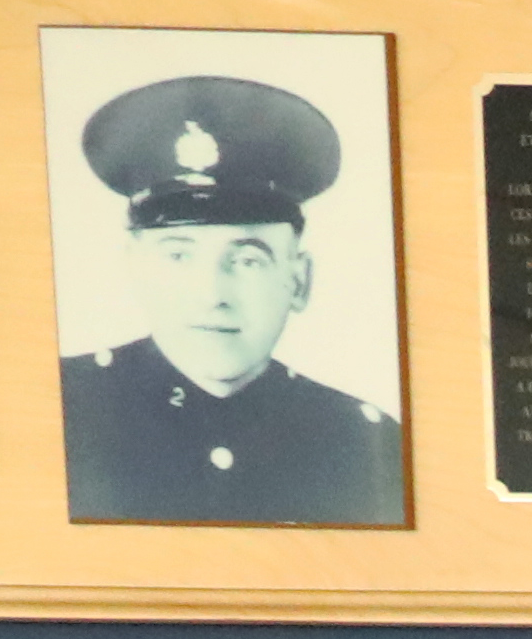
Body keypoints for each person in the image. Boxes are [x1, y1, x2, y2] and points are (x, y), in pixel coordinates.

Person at [57, 73, 404, 525]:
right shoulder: (64, 406)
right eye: (179, 255)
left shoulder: (362, 443)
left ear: (299, 282)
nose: (212, 295)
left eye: (247, 260)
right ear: (136, 270)